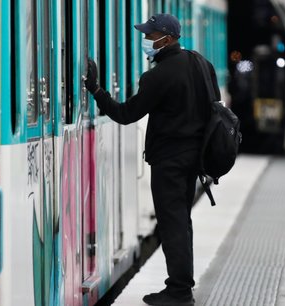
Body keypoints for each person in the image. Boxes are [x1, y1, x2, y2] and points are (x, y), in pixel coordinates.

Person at [84, 13, 220, 306]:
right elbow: (215, 107)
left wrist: (96, 90)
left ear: (166, 39)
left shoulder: (158, 75)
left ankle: (179, 291)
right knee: (182, 223)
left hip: (169, 161)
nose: (147, 41)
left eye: (150, 36)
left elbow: (125, 114)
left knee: (172, 225)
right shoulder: (201, 64)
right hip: (196, 159)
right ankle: (180, 286)